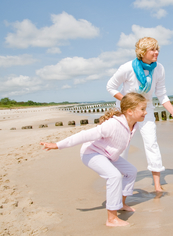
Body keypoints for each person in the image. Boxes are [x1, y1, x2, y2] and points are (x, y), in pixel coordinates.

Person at [40, 92, 147, 227]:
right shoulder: (112, 125)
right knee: (114, 176)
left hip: (109, 154)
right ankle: (111, 218)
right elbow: (84, 135)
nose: (146, 112)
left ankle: (121, 204)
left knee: (131, 171)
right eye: (142, 109)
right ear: (130, 111)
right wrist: (58, 145)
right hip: (92, 153)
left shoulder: (134, 124)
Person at [106, 37, 173, 193]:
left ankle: (157, 185)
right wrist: (129, 101)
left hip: (146, 111)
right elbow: (111, 87)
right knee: (123, 146)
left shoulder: (159, 69)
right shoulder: (127, 68)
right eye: (152, 50)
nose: (156, 52)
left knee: (151, 144)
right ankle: (118, 183)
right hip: (126, 112)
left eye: (157, 49)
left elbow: (161, 94)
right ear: (142, 52)